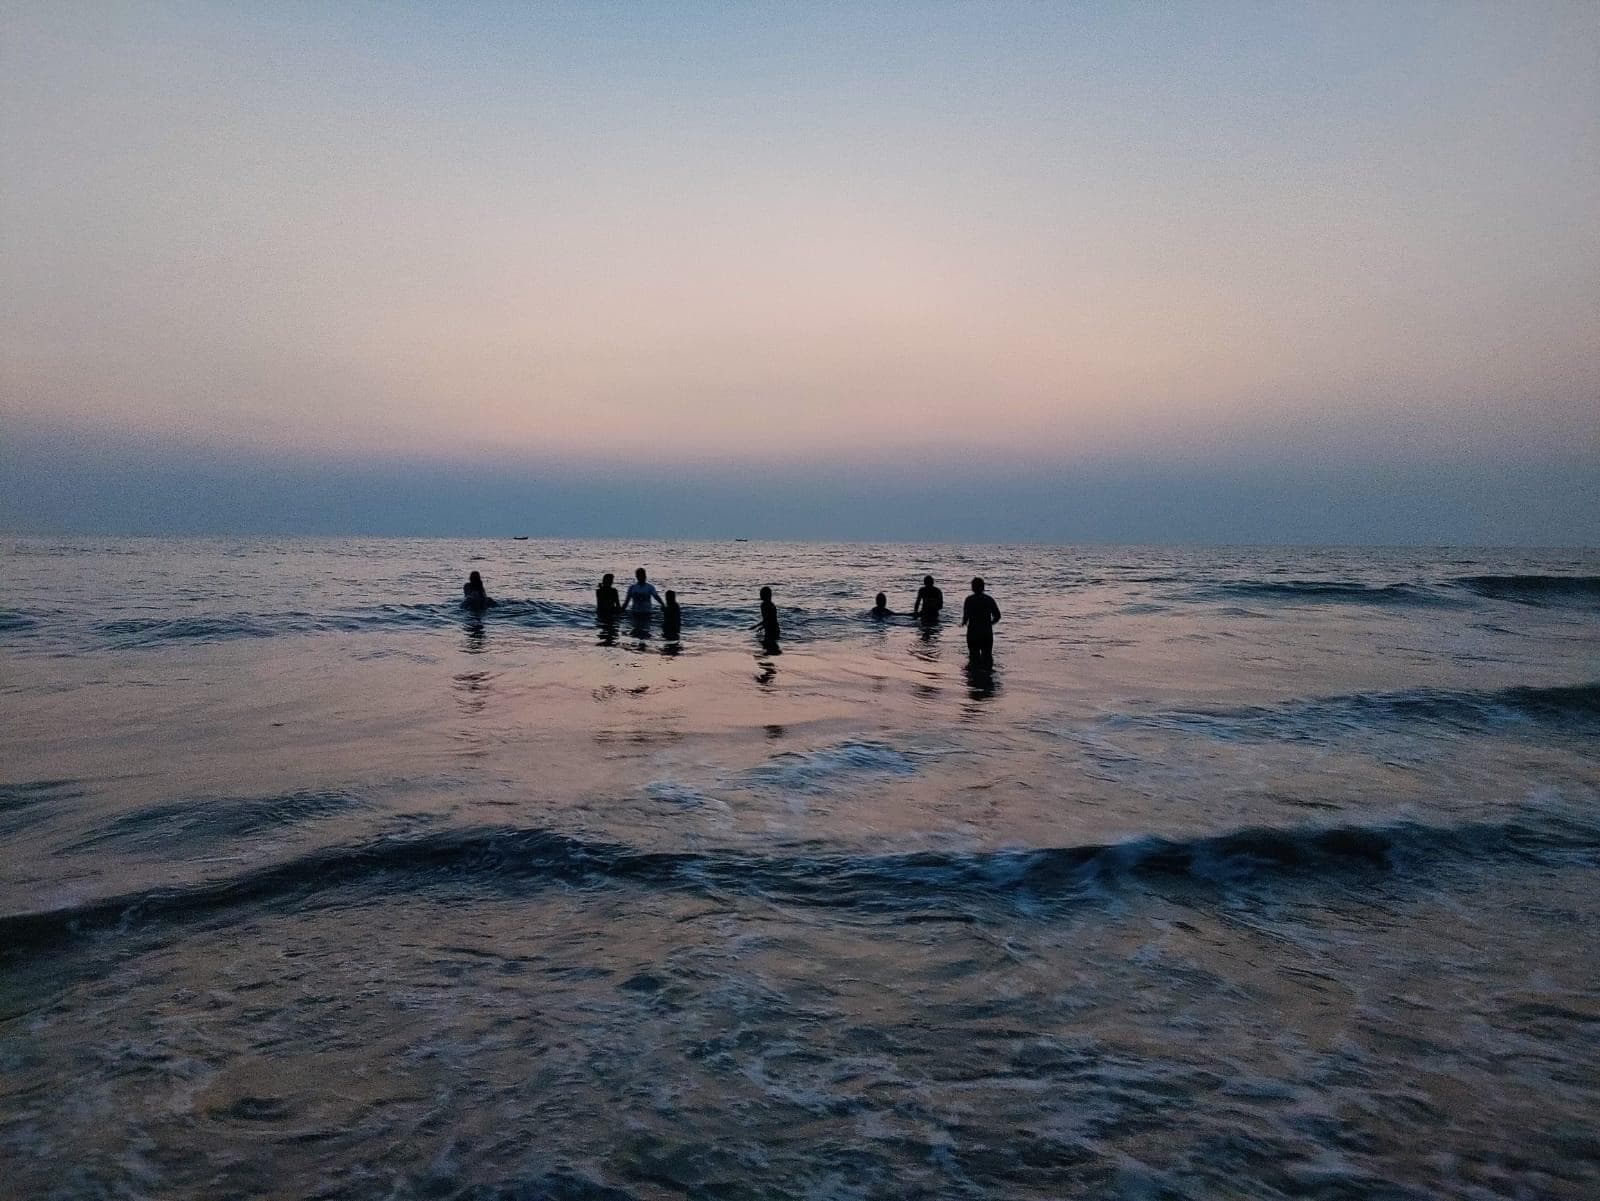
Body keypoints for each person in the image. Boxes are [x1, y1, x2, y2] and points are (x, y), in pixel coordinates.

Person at [961, 576, 1001, 668]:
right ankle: (988, 677)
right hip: (986, 632)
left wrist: (963, 623)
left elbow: (965, 618)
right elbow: (997, 616)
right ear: (983, 587)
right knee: (987, 656)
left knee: (973, 656)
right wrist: (990, 623)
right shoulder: (989, 599)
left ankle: (974, 678)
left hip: (973, 631)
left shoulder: (969, 600)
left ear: (972, 588)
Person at [756, 585, 781, 650]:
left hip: (772, 629)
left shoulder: (766, 606)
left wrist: (761, 627)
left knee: (767, 645)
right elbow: (767, 619)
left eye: (761, 593)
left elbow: (769, 620)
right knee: (768, 646)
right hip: (774, 629)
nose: (760, 595)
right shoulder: (770, 605)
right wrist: (757, 626)